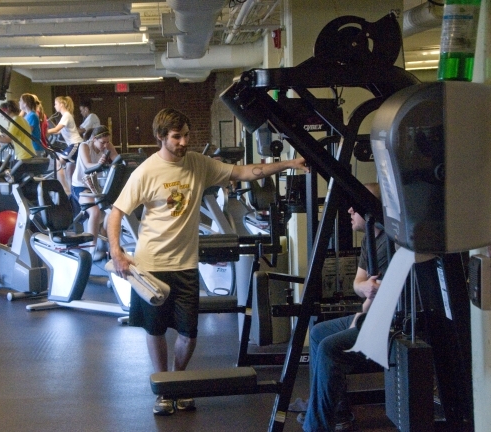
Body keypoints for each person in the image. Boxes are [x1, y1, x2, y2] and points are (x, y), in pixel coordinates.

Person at [107, 108, 308, 416]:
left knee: (189, 333)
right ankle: (163, 388)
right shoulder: (146, 172)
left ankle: (178, 380)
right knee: (155, 330)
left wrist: (289, 164)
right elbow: (116, 213)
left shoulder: (199, 165)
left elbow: (243, 172)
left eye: (186, 135)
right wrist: (117, 252)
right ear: (161, 137)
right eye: (177, 137)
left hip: (186, 265)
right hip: (150, 266)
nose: (183, 142)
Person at [301, 183, 389, 432]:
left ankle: (317, 426)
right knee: (318, 333)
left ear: (371, 209)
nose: (350, 210)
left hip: (387, 324)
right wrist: (366, 291)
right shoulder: (369, 239)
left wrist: (361, 314)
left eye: (356, 207)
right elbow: (358, 283)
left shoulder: (390, 243)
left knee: (331, 347)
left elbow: (379, 297)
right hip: (370, 315)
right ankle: (337, 412)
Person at [71, 125, 118, 261]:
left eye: (107, 142)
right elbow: (87, 166)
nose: (105, 145)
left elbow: (118, 160)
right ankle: (91, 250)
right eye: (102, 142)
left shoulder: (107, 145)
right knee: (95, 211)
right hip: (79, 186)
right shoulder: (84, 146)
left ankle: (104, 237)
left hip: (96, 187)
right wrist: (100, 164)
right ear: (93, 139)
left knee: (113, 210)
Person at [47, 96, 84, 193]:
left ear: (61, 104)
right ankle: (72, 191)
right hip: (73, 144)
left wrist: (43, 132)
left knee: (58, 164)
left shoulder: (66, 115)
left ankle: (65, 189)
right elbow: (58, 132)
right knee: (69, 170)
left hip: (75, 144)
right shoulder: (65, 116)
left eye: (56, 104)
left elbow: (56, 129)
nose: (55, 106)